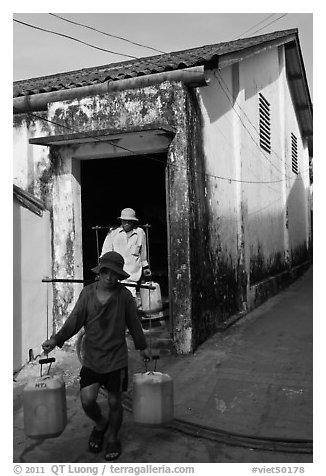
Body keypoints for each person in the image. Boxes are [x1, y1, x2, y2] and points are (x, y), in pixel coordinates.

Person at [42, 251, 151, 461]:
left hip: (116, 359)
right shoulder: (87, 294)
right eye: (105, 272)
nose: (109, 278)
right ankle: (101, 423)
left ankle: (112, 437)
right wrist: (56, 339)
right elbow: (74, 320)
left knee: (114, 402)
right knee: (87, 400)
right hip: (92, 358)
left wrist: (142, 346)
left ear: (120, 276)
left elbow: (134, 324)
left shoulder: (124, 296)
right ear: (99, 272)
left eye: (114, 274)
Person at [100, 208, 152, 298]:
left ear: (134, 222)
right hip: (116, 276)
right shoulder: (113, 233)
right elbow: (105, 253)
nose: (127, 223)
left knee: (130, 300)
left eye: (130, 221)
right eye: (124, 221)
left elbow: (143, 254)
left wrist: (145, 268)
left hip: (132, 277)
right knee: (114, 301)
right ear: (121, 221)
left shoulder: (140, 233)